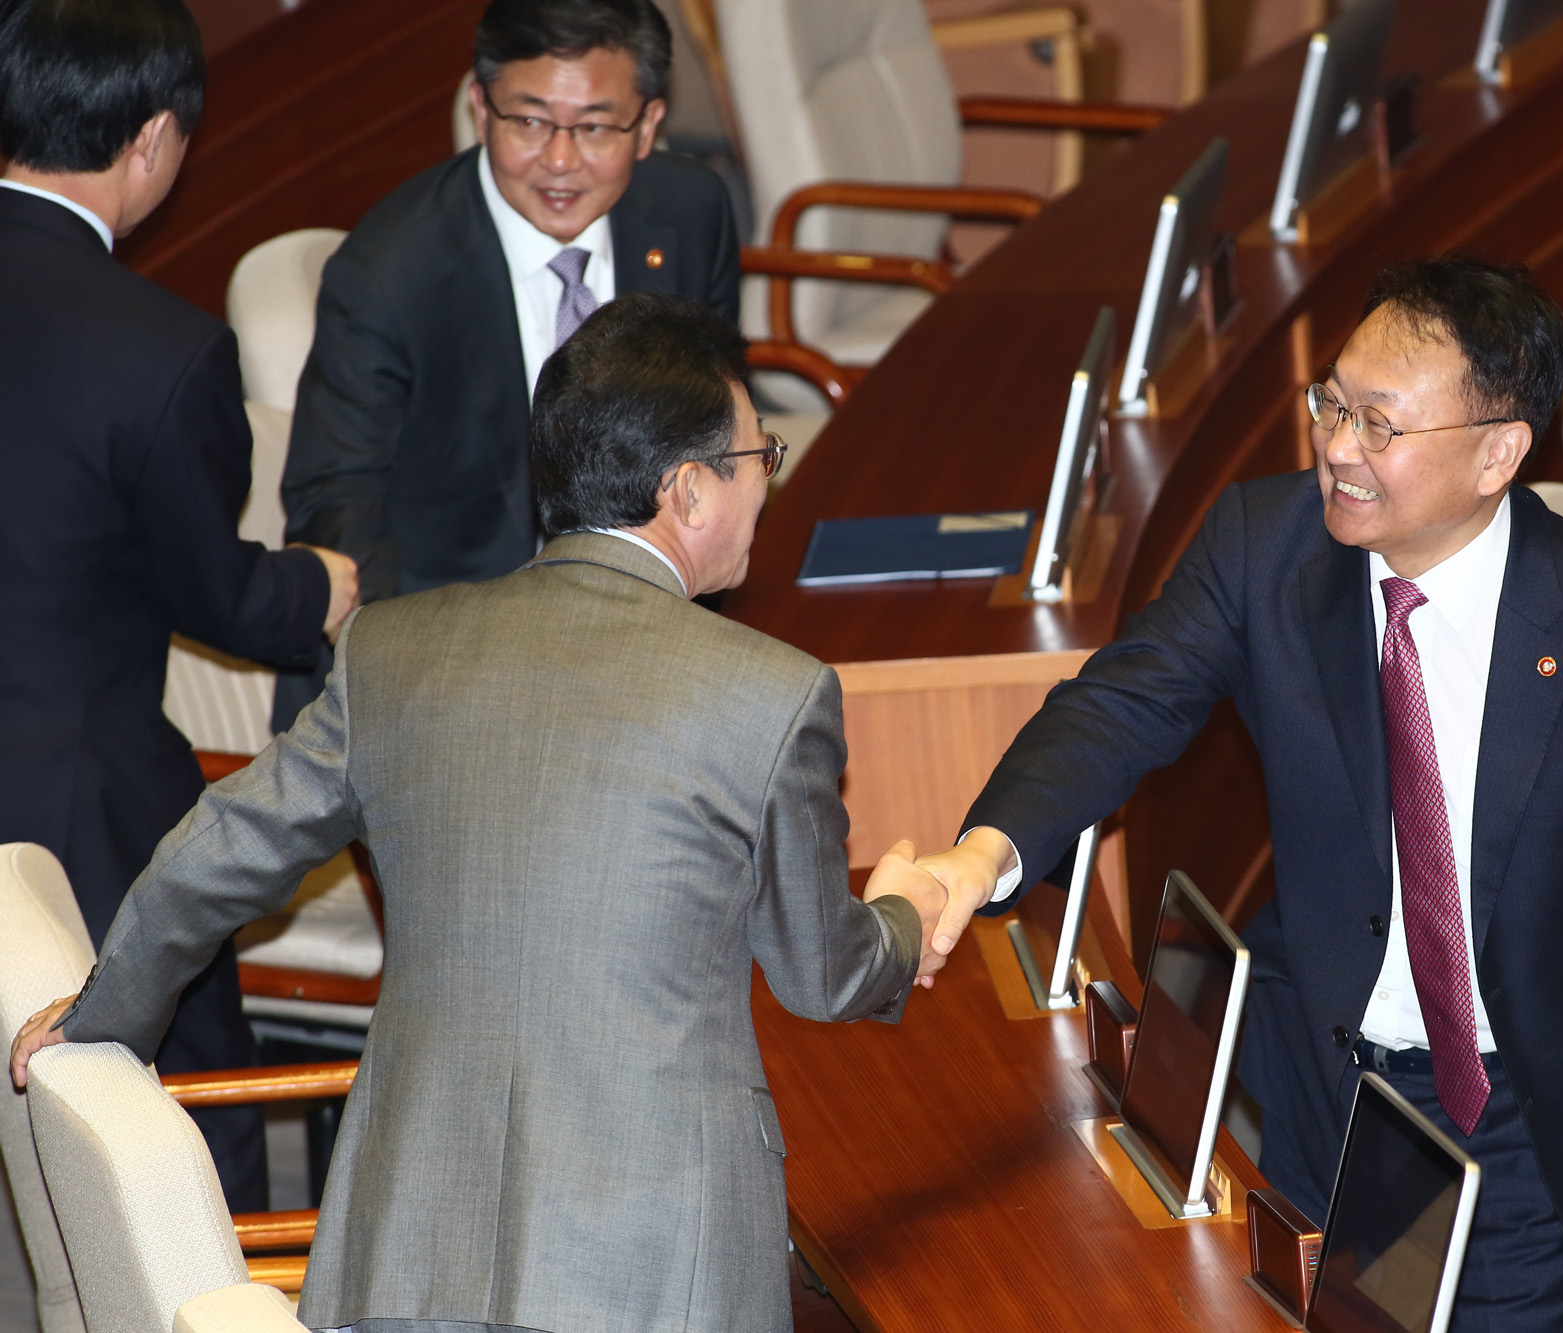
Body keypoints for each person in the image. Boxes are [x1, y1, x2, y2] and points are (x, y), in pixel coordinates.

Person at [13, 292, 948, 1333]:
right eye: (756, 458)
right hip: (651, 1276)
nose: (765, 483)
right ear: (688, 490)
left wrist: (107, 1014)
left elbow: (222, 846)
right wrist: (906, 915)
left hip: (407, 1258)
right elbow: (824, 975)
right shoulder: (771, 693)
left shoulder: (396, 651)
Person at [917, 259, 1563, 1330]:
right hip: (1329, 1092)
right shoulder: (1259, 549)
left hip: (1531, 1122)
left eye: (1379, 424)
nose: (1335, 446)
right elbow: (1120, 707)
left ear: (1497, 451)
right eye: (1329, 402)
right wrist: (980, 852)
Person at [0, 0, 360, 1212]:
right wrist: (323, 581)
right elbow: (224, 597)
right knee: (197, 1114)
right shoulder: (164, 351)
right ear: (153, 139)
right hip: (81, 822)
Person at [274, 0, 742, 730]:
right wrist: (445, 696)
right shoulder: (392, 271)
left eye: (593, 126)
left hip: (645, 638)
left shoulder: (691, 212)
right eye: (528, 121)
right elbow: (336, 502)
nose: (559, 159)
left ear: (648, 125)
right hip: (447, 659)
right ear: (479, 107)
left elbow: (711, 440)